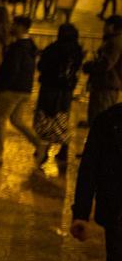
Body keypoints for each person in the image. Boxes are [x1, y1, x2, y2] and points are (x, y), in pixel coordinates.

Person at [71, 102, 122, 261]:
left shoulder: (109, 119)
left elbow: (88, 170)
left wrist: (81, 213)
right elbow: (89, 168)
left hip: (115, 211)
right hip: (116, 212)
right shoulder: (108, 121)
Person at [0, 16, 43, 164]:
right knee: (17, 120)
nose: (11, 26)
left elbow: (12, 70)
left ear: (21, 27)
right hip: (25, 90)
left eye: (14, 24)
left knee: (0, 120)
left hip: (11, 90)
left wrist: (2, 86)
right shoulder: (30, 46)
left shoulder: (18, 47)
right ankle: (39, 144)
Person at [33, 23, 83, 164]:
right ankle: (63, 149)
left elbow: (41, 66)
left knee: (46, 119)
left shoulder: (53, 49)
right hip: (66, 91)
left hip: (50, 88)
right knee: (61, 119)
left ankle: (43, 150)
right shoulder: (77, 50)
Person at [85, 16, 122, 125]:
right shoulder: (113, 40)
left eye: (106, 25)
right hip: (107, 84)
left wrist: (89, 67)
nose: (104, 27)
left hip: (106, 85)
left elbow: (105, 64)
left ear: (112, 26)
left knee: (100, 117)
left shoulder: (115, 43)